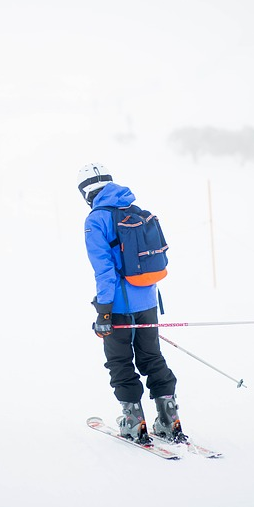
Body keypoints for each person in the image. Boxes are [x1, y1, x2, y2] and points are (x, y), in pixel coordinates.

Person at [77, 162, 186, 444]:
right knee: (152, 357)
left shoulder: (96, 220)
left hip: (118, 306)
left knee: (120, 361)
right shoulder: (135, 211)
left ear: (86, 192)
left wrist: (104, 311)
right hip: (148, 299)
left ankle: (133, 421)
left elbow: (104, 270)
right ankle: (168, 419)